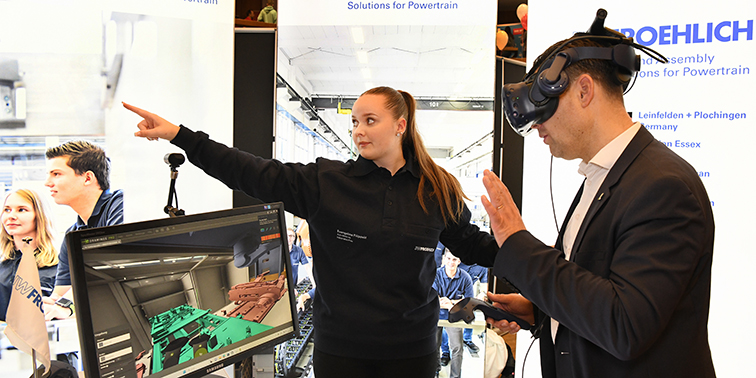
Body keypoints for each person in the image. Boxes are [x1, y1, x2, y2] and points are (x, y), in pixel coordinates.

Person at [123, 85, 499, 378]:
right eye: (354, 121)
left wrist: (529, 253)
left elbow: (473, 245)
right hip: (341, 351)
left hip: (412, 351)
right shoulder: (326, 182)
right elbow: (250, 171)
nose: (358, 131)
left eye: (370, 120)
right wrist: (182, 137)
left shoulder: (435, 190)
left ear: (401, 126)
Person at [481, 31, 716, 377]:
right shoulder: (603, 177)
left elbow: (625, 326)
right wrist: (541, 311)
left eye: (543, 104)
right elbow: (599, 289)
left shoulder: (663, 186)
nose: (536, 126)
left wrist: (518, 243)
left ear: (584, 90)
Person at [42, 141, 124, 320]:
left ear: (87, 178)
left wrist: (65, 306)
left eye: (56, 174)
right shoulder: (72, 236)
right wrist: (50, 305)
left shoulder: (119, 204)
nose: (47, 182)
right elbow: (62, 295)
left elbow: (109, 267)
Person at [1, 189, 59, 321]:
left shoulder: (61, 266)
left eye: (21, 210)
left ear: (40, 215)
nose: (11, 216)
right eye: (7, 210)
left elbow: (74, 305)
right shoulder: (2, 265)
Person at [432, 249, 473, 378]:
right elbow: (433, 299)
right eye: (448, 259)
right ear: (444, 259)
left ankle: (455, 376)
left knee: (457, 349)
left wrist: (450, 302)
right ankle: (435, 372)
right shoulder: (436, 275)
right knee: (434, 347)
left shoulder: (465, 277)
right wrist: (455, 303)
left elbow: (469, 301)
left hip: (455, 317)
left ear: (459, 261)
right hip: (436, 316)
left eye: (454, 259)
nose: (451, 262)